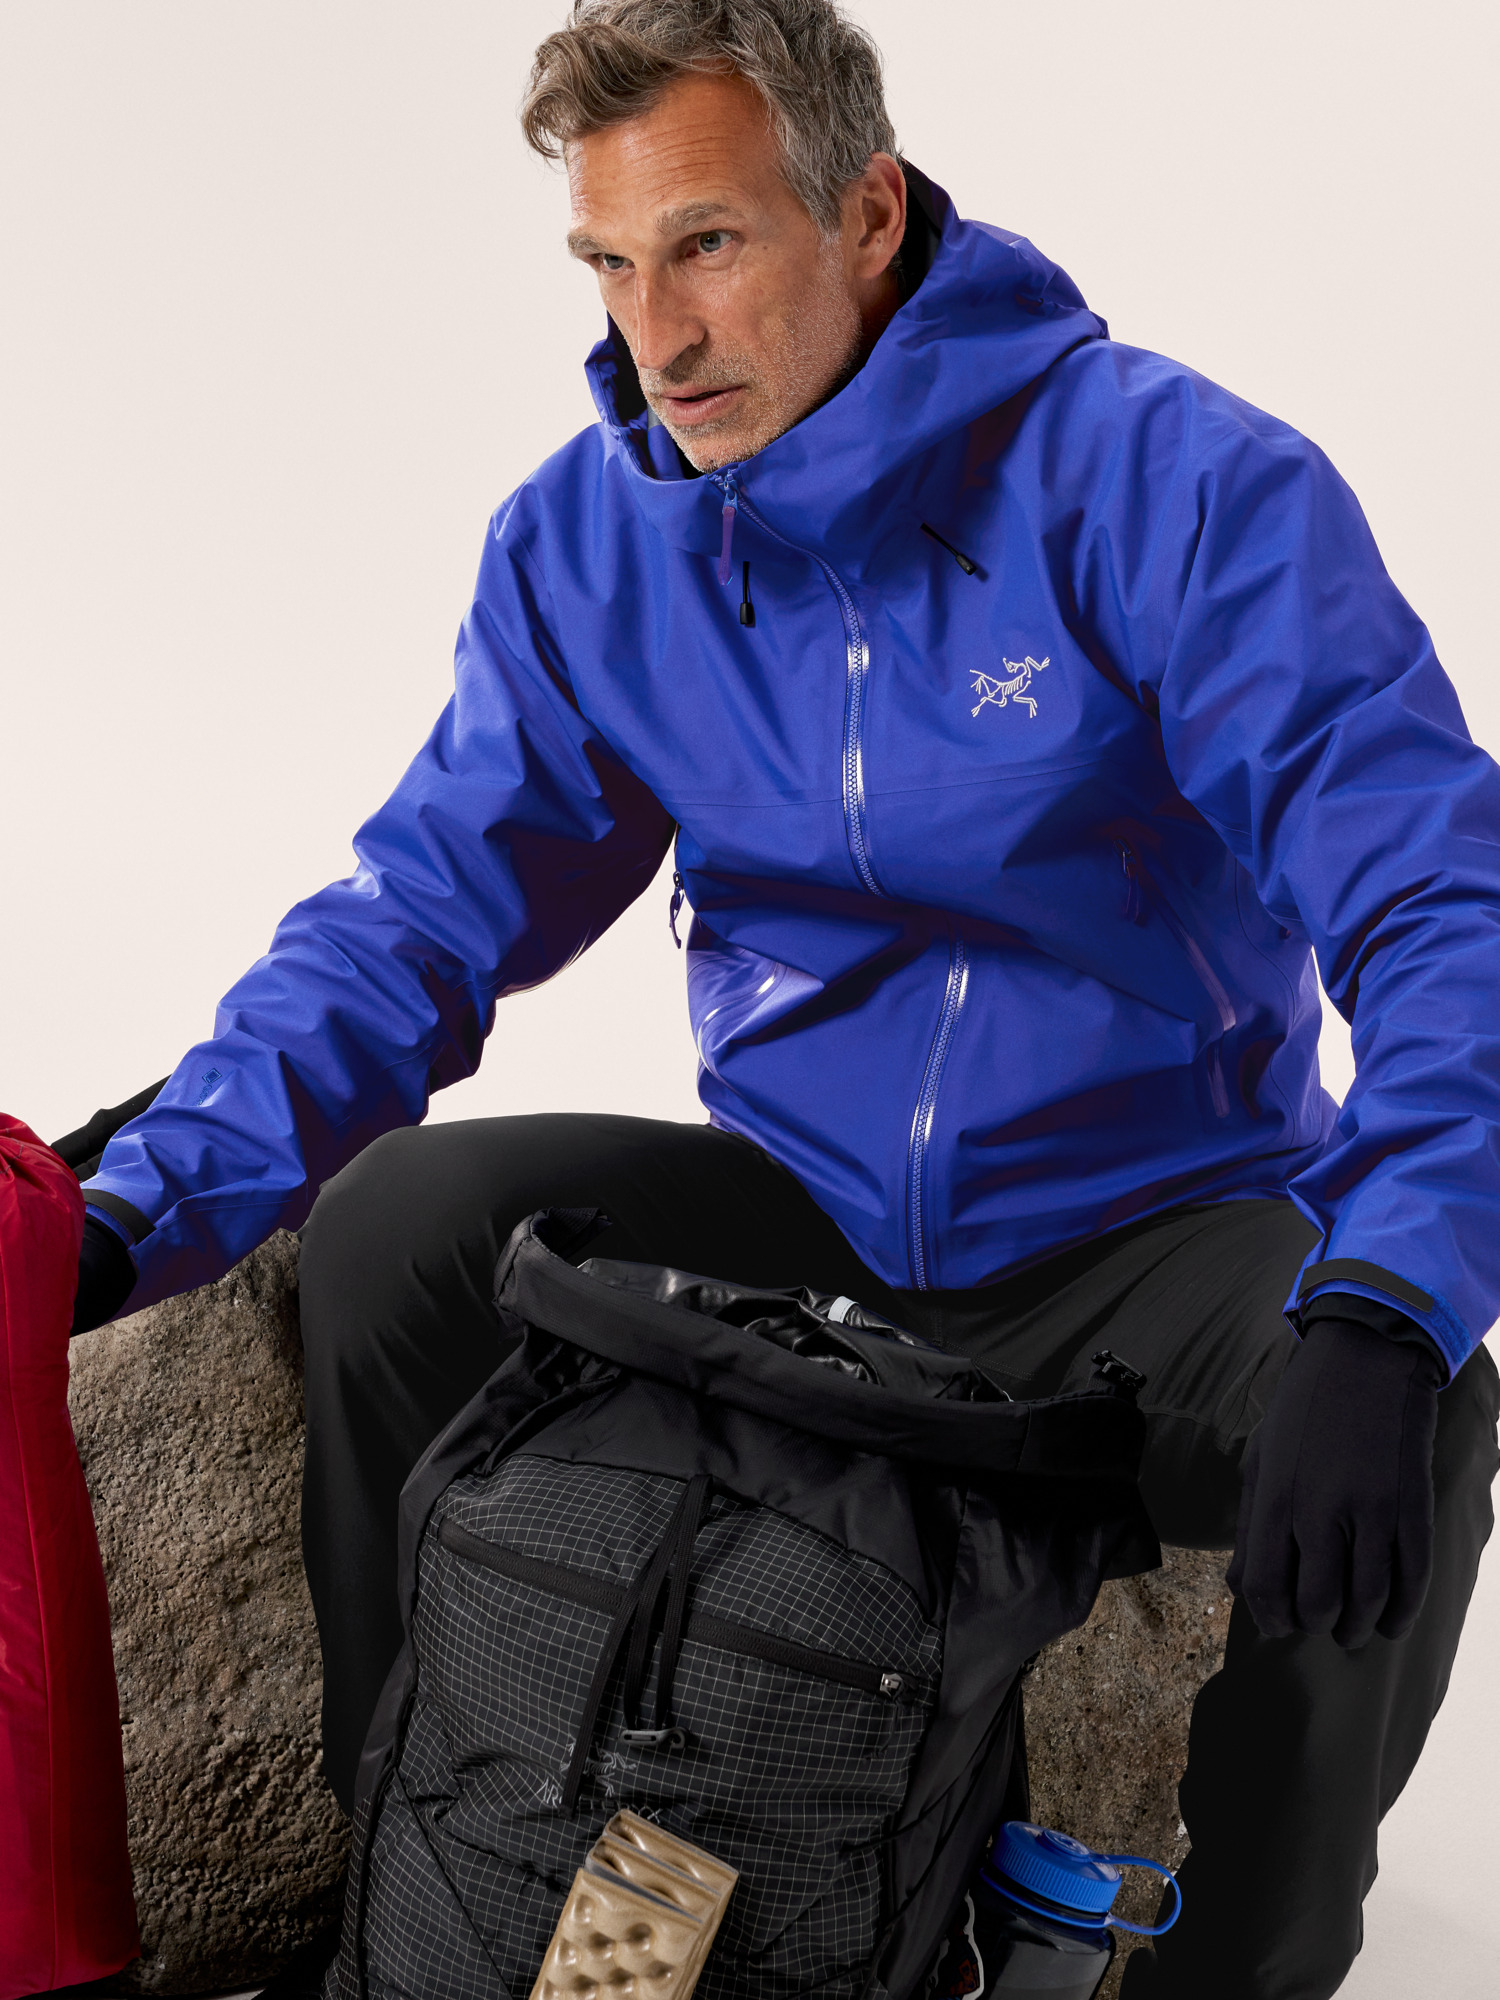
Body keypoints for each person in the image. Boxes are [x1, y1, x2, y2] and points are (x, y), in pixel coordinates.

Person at [69, 4, 1500, 1995]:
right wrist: (129, 1211)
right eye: (608, 262)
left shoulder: (1173, 486)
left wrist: (1391, 1293)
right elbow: (417, 916)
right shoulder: (596, 541)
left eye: (710, 244)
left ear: (870, 215)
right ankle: (437, 1889)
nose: (656, 334)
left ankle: (1236, 1967)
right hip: (802, 1233)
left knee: (1413, 1402)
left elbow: (1441, 900)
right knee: (403, 1232)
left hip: (1135, 1243)